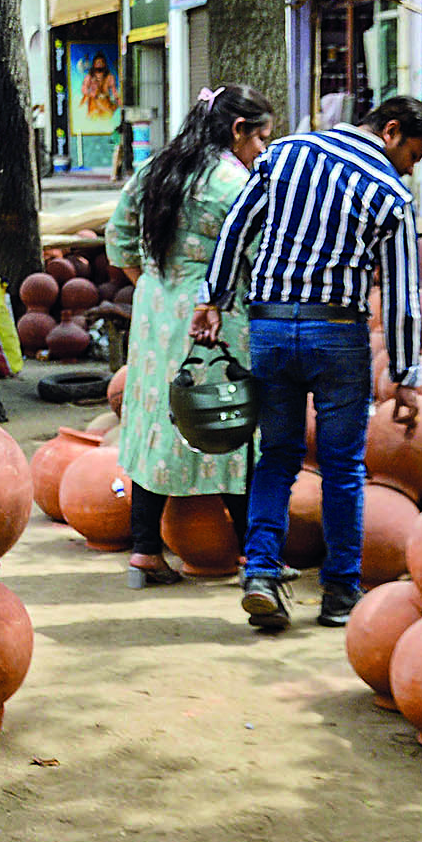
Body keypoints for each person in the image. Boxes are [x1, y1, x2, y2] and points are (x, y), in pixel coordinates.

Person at [191, 95, 422, 632]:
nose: (411, 168)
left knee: (276, 456)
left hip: (271, 327)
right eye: (414, 154)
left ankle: (259, 571)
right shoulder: (393, 196)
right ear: (391, 131)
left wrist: (211, 298)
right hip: (338, 334)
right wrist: (405, 377)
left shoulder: (285, 154)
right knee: (343, 467)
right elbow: (402, 294)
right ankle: (339, 594)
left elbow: (236, 228)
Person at [105, 85, 271, 585]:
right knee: (230, 418)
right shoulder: (235, 182)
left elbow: (119, 238)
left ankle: (144, 553)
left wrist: (157, 286)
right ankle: (253, 557)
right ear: (238, 130)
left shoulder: (157, 167)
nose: (263, 150)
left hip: (157, 310)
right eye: (261, 139)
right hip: (217, 313)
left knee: (156, 417)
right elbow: (260, 254)